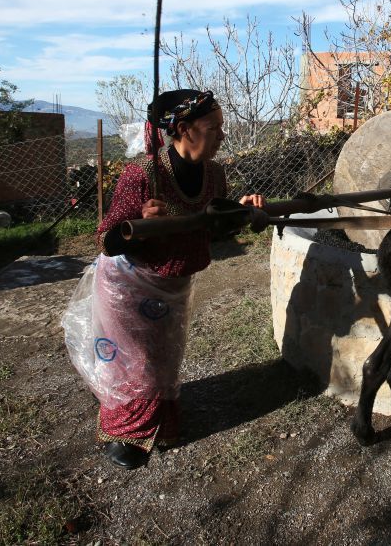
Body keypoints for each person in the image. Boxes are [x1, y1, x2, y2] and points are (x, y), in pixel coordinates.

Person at [90, 88, 264, 470]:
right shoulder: (143, 175)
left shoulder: (215, 175)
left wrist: (244, 212)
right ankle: (125, 433)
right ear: (184, 129)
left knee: (164, 356)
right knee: (134, 363)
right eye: (214, 127)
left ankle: (159, 423)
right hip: (128, 286)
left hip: (172, 286)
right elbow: (106, 239)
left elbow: (214, 229)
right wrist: (140, 225)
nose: (222, 135)